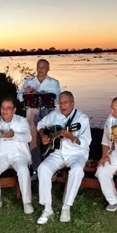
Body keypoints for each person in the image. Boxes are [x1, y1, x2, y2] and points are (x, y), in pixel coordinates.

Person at [36, 91, 91, 224]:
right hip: (59, 152)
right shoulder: (55, 114)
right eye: (60, 103)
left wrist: (72, 137)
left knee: (77, 170)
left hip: (77, 152)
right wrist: (44, 135)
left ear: (72, 103)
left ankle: (66, 207)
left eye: (65, 102)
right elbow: (40, 125)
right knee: (43, 168)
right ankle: (47, 208)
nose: (62, 105)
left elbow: (86, 140)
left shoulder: (81, 118)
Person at [0, 97, 34, 214]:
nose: (5, 111)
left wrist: (13, 135)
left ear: (14, 110)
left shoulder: (21, 121)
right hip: (1, 155)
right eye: (3, 108)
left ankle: (27, 202)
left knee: (23, 170)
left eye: (8, 108)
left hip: (19, 155)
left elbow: (28, 137)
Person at [17, 59, 61, 152]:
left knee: (47, 131)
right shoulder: (29, 81)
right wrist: (25, 94)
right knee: (33, 133)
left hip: (48, 110)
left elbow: (58, 100)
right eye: (39, 67)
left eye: (43, 67)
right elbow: (19, 95)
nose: (40, 69)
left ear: (48, 69)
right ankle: (33, 156)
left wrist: (46, 95)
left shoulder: (54, 82)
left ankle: (48, 152)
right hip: (32, 110)